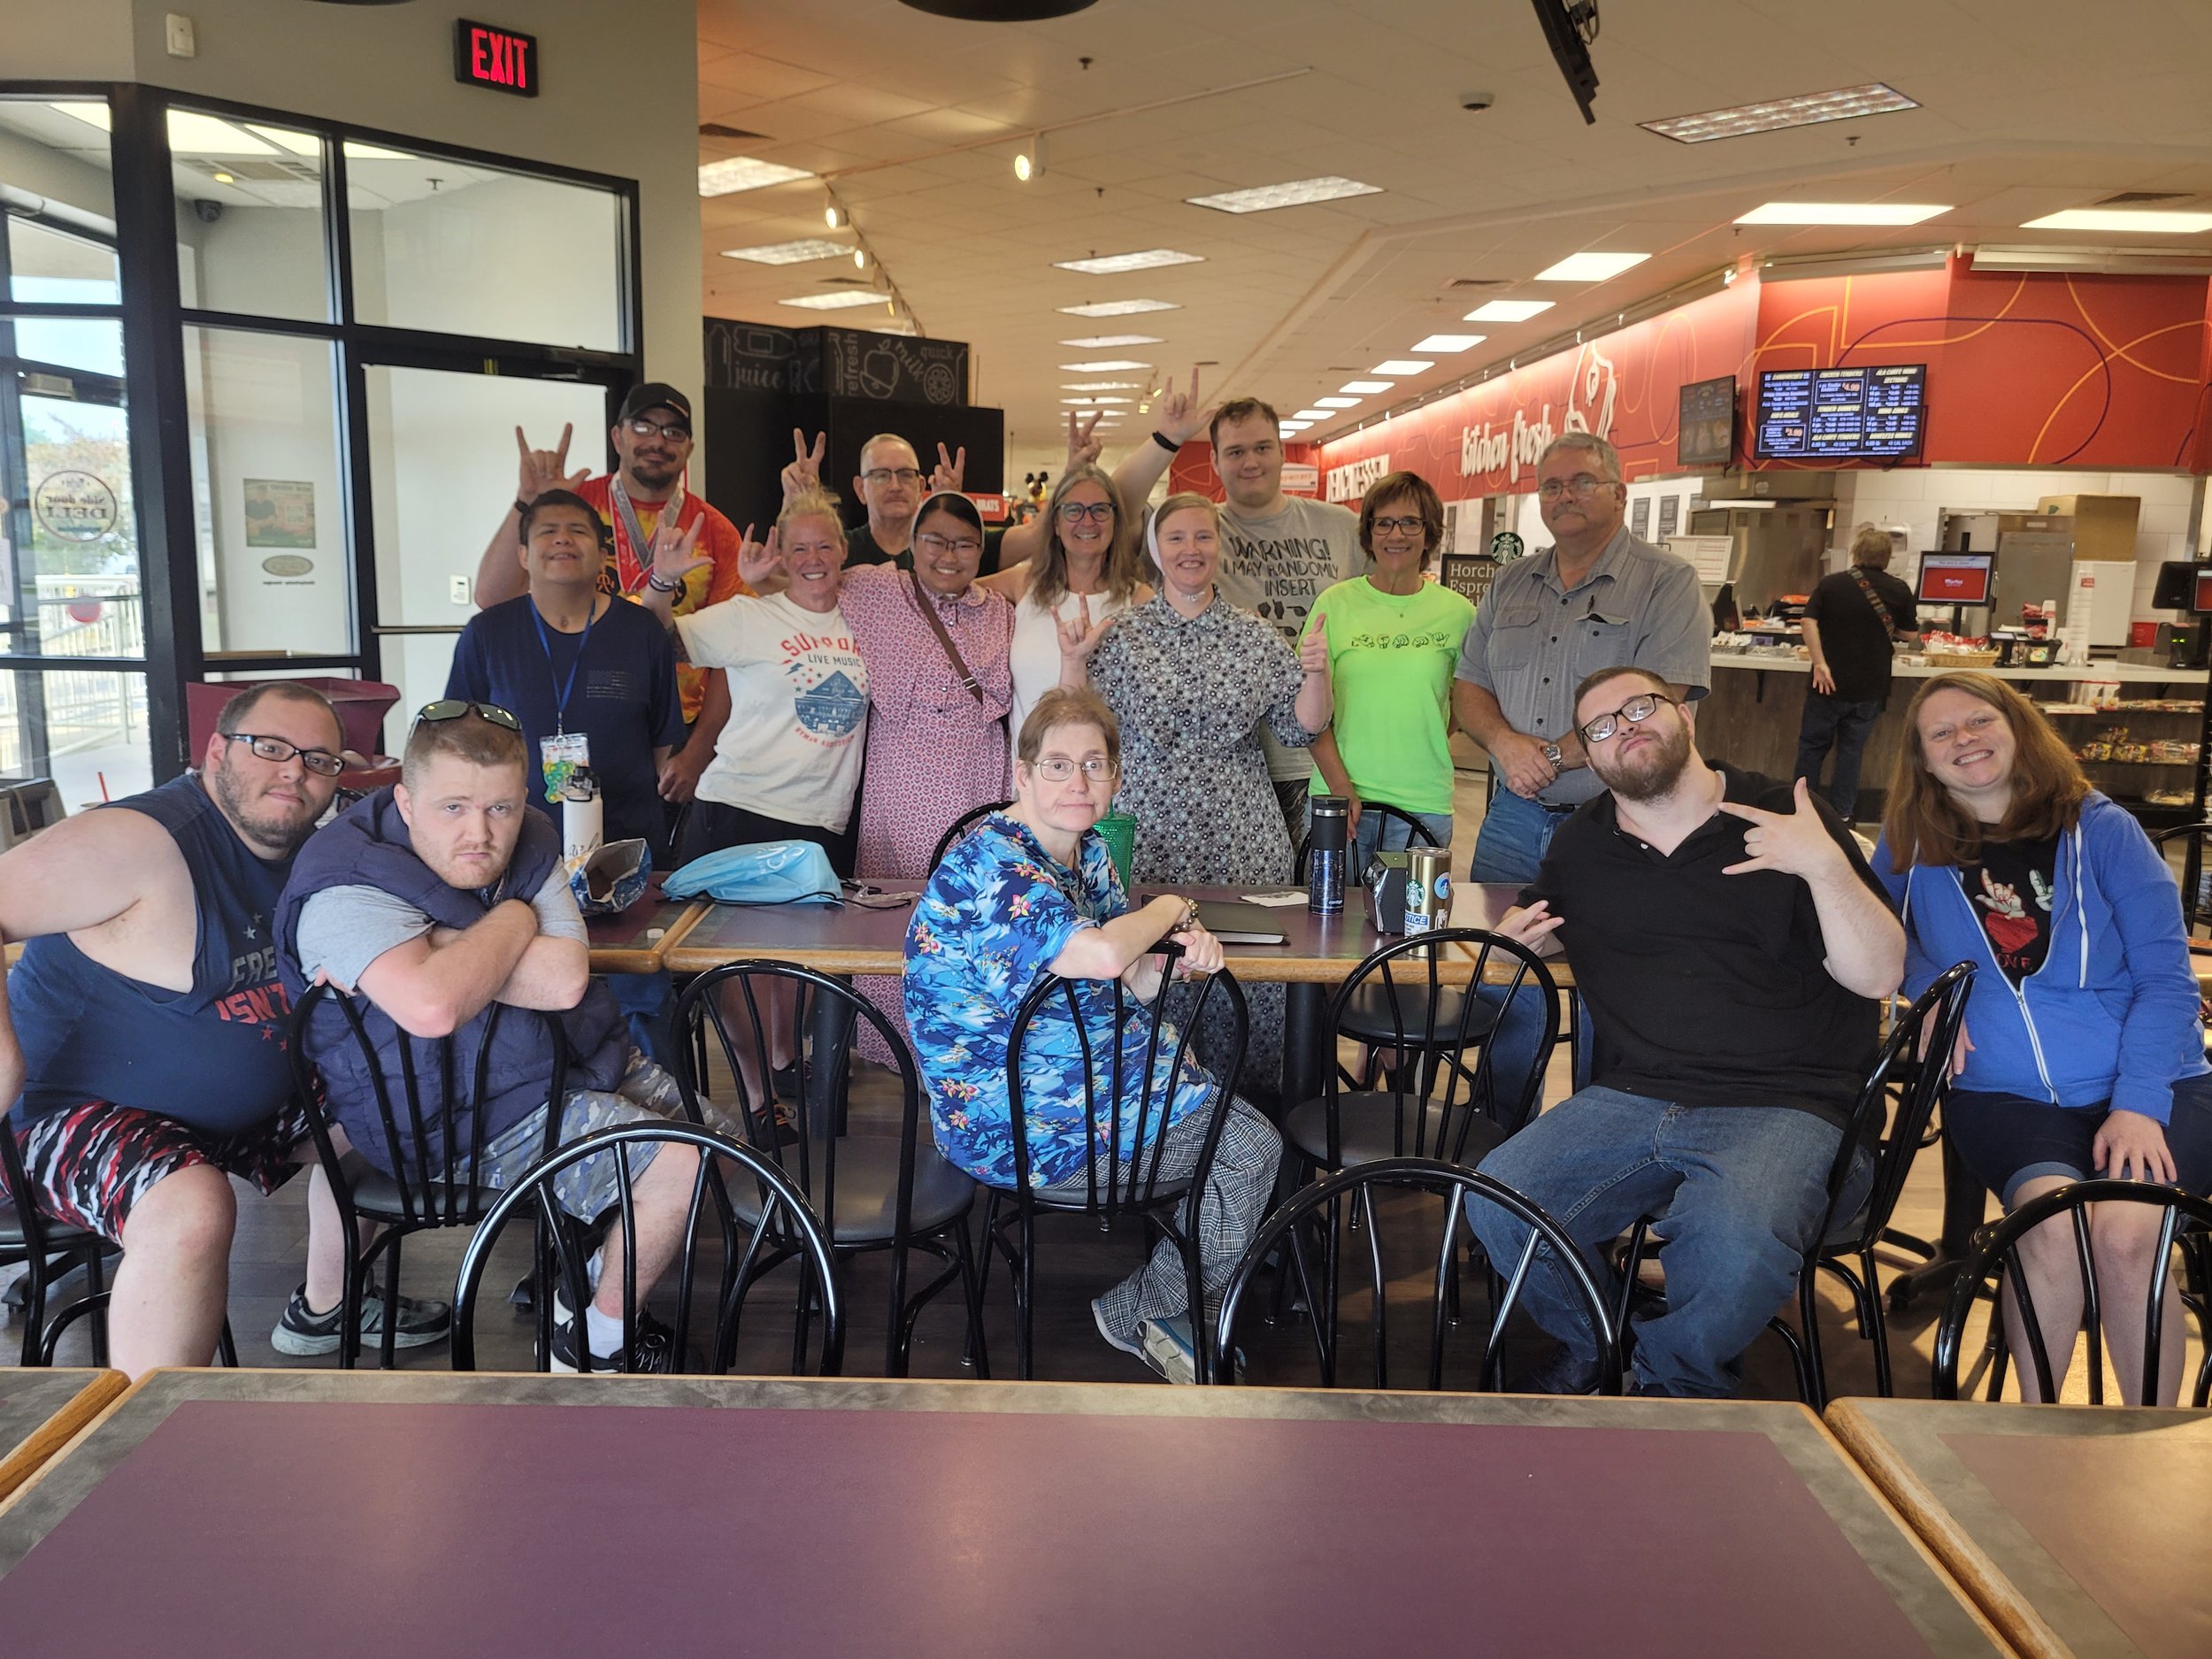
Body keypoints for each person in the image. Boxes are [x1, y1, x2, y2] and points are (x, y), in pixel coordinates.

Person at [1470, 664, 1905, 1398]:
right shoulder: (1584, 843)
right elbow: (1534, 922)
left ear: (1687, 716)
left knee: (1730, 1234)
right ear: (1592, 757)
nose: (1624, 728)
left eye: (1641, 707)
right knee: (1500, 1196)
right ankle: (1597, 1336)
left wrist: (1826, 868)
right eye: (1600, 727)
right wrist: (1520, 941)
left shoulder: (1783, 815)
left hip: (1793, 1101)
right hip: (1637, 1094)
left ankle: (1676, 1384)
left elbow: (1878, 976)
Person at [1, 683, 448, 1376]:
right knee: (193, 1205)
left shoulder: (308, 849)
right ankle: (146, 1443)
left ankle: (327, 1304)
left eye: (319, 759)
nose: (293, 771)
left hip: (235, 1111)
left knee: (395, 1088)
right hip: (68, 1114)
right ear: (216, 750)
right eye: (268, 747)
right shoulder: (137, 840)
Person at [276, 702, 737, 1373]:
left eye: (500, 808)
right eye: (453, 807)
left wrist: (438, 941)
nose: (481, 834)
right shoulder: (345, 882)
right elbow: (434, 1006)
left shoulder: (530, 840)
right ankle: (595, 1345)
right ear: (404, 801)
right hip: (449, 1120)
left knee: (729, 1153)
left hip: (562, 1061)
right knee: (680, 1165)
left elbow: (562, 980)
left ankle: (576, 1288)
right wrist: (512, 924)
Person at [903, 687, 1282, 1382]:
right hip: (1009, 1121)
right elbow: (1103, 956)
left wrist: (1176, 961)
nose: (1077, 782)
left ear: (1115, 776)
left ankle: (1176, 1304)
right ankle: (1147, 1310)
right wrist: (1171, 907)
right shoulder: (994, 865)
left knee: (1233, 1118)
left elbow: (1127, 977)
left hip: (1078, 1087)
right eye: (1056, 765)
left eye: (1094, 764)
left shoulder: (1089, 857)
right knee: (1253, 1147)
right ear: (1021, 775)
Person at [1874, 672, 2212, 1405]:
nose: (1964, 739)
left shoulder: (2103, 828)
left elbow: (2168, 979)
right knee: (2050, 1227)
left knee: (2126, 1235)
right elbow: (1875, 931)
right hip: (2007, 1094)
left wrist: (2139, 1102)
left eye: (1978, 719)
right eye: (1942, 733)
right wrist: (1930, 988)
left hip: (2156, 1081)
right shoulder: (1909, 842)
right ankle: (2035, 1433)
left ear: (2017, 725)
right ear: (1923, 760)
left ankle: (2148, 1438)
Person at [1074, 492, 1332, 1099]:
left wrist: (1316, 673)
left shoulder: (1254, 635)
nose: (1191, 550)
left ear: (1220, 547)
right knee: (1151, 975)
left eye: (1203, 537)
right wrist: (1071, 661)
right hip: (1149, 830)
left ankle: (1248, 1135)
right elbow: (1082, 720)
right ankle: (1153, 1143)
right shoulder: (1124, 634)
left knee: (1242, 981)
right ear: (1156, 551)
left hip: (1240, 834)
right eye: (1177, 538)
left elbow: (1302, 727)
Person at [447, 488, 687, 1064]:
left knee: (644, 1000)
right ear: (524, 553)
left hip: (625, 853)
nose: (561, 540)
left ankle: (672, 1126)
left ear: (603, 554)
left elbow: (663, 742)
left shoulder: (641, 633)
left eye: (577, 531)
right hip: (516, 858)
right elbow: (458, 746)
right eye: (546, 531)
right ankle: (555, 1124)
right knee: (532, 1004)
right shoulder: (488, 634)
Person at [1453, 432, 1711, 886]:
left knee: (1607, 952)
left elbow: (1655, 703)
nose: (1566, 496)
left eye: (1583, 482)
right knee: (1493, 945)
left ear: (1619, 494)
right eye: (1551, 487)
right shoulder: (1510, 582)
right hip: (1513, 818)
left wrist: (1550, 758)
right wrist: (1503, 743)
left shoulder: (1668, 583)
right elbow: (1470, 684)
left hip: (1624, 818)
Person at [480, 383, 749, 811]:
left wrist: (698, 753)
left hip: (676, 733)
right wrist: (529, 503)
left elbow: (732, 659)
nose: (658, 441)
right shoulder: (573, 509)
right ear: (618, 436)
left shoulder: (713, 530)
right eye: (644, 426)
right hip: (568, 715)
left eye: (673, 432)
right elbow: (491, 600)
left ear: (689, 447)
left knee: (652, 862)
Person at [640, 489, 867, 877]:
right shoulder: (750, 616)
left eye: (824, 546)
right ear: (783, 556)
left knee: (809, 938)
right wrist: (662, 581)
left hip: (822, 819)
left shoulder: (869, 617)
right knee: (715, 937)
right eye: (799, 549)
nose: (813, 559)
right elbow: (654, 639)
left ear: (844, 549)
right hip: (738, 810)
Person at [1303, 470, 1476, 870]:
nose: (1395, 534)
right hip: (1338, 798)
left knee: (1410, 928)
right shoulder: (1335, 604)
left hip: (1423, 801)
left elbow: (1461, 706)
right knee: (1327, 927)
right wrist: (1341, 787)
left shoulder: (1459, 614)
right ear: (1368, 533)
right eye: (1383, 523)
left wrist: (1420, 730)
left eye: (1410, 522)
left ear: (1430, 533)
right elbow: (1308, 715)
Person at [983, 462, 1150, 738]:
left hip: (1109, 776)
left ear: (1115, 521)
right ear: (1056, 524)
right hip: (1029, 776)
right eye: (1074, 510)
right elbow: (945, 592)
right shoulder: (1022, 584)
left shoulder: (1139, 599)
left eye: (1099, 510)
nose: (1087, 521)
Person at [1796, 524, 1918, 822]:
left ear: (1856, 552)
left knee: (1812, 747)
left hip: (1827, 683)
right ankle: (1843, 814)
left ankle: (1801, 809)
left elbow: (1808, 622)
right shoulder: (1899, 589)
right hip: (1870, 685)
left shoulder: (1831, 584)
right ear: (1887, 557)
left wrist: (1820, 663)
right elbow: (1910, 634)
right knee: (1851, 752)